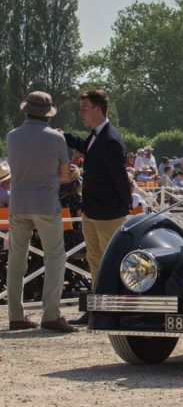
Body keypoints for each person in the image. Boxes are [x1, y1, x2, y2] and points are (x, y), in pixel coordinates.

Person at [5, 91, 77, 332]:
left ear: (27, 111)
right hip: (46, 203)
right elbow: (66, 176)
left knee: (16, 259)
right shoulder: (56, 139)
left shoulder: (12, 136)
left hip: (19, 204)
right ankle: (50, 314)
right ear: (47, 115)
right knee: (55, 257)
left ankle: (15, 315)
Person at [63, 89, 131, 325]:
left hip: (108, 213)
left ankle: (115, 308)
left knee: (112, 261)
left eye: (84, 108)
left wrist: (125, 205)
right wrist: (68, 137)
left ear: (98, 109)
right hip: (92, 211)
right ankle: (97, 307)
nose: (80, 113)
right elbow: (87, 148)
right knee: (94, 260)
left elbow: (120, 177)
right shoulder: (96, 136)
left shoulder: (111, 139)